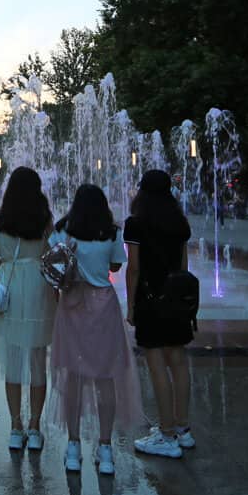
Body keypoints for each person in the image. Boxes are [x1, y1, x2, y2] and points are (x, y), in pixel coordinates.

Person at [47, 184, 141, 475]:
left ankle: (73, 446)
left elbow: (53, 264)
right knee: (105, 378)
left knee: (72, 378)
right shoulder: (112, 233)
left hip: (72, 305)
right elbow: (115, 267)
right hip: (103, 307)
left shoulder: (63, 230)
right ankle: (105, 448)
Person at [124, 169, 194, 459]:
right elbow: (184, 265)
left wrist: (130, 304)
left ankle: (166, 434)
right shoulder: (179, 222)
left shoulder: (136, 223)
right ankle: (182, 429)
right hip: (176, 299)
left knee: (156, 362)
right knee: (177, 361)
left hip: (150, 300)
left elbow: (134, 267)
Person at [0, 166, 56, 452]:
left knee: (13, 360)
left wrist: (5, 280)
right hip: (40, 290)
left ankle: (15, 426)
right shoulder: (44, 220)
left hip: (11, 288)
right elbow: (51, 257)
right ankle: (35, 427)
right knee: (38, 360)